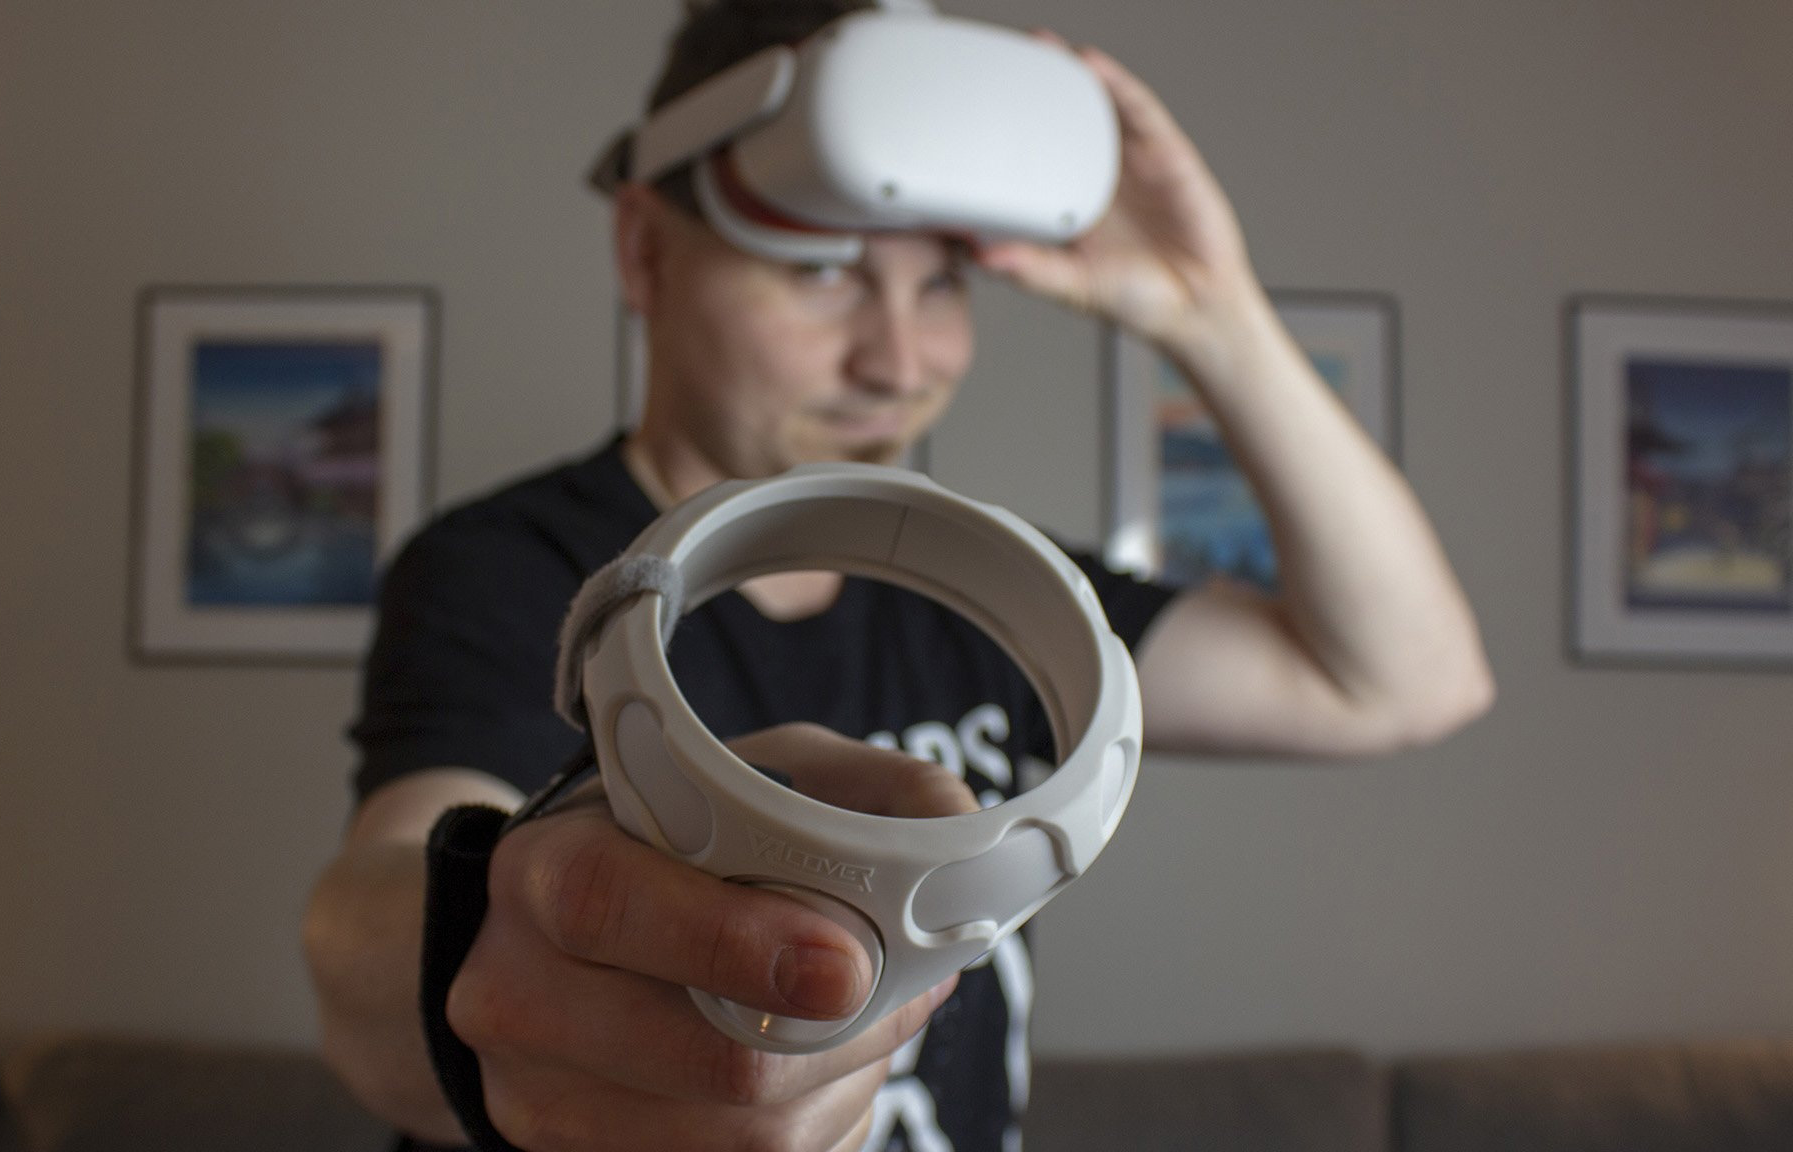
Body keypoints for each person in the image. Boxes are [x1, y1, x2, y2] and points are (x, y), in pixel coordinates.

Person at [302, 3, 1496, 1150]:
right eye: (820, 269)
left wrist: (1210, 312)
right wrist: (507, 952)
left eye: (940, 284)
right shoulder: (513, 571)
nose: (897, 360)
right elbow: (376, 925)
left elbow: (1404, 683)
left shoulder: (994, 600)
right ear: (643, 250)